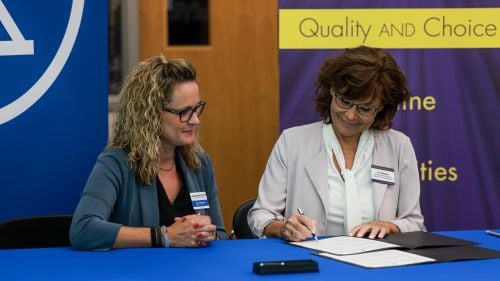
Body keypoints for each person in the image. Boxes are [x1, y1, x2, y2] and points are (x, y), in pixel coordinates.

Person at [248, 46, 425, 241]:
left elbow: (414, 222)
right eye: (344, 101)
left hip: (379, 262)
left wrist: (390, 225)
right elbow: (260, 216)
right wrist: (283, 227)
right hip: (312, 260)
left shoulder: (399, 146)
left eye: (365, 108)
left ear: (382, 108)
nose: (350, 115)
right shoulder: (293, 141)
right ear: (332, 91)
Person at [70, 54, 227, 250]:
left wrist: (207, 233)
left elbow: (221, 235)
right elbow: (83, 229)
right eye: (184, 112)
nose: (195, 120)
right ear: (151, 114)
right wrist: (164, 236)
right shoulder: (117, 161)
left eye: (197, 109)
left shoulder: (200, 162)